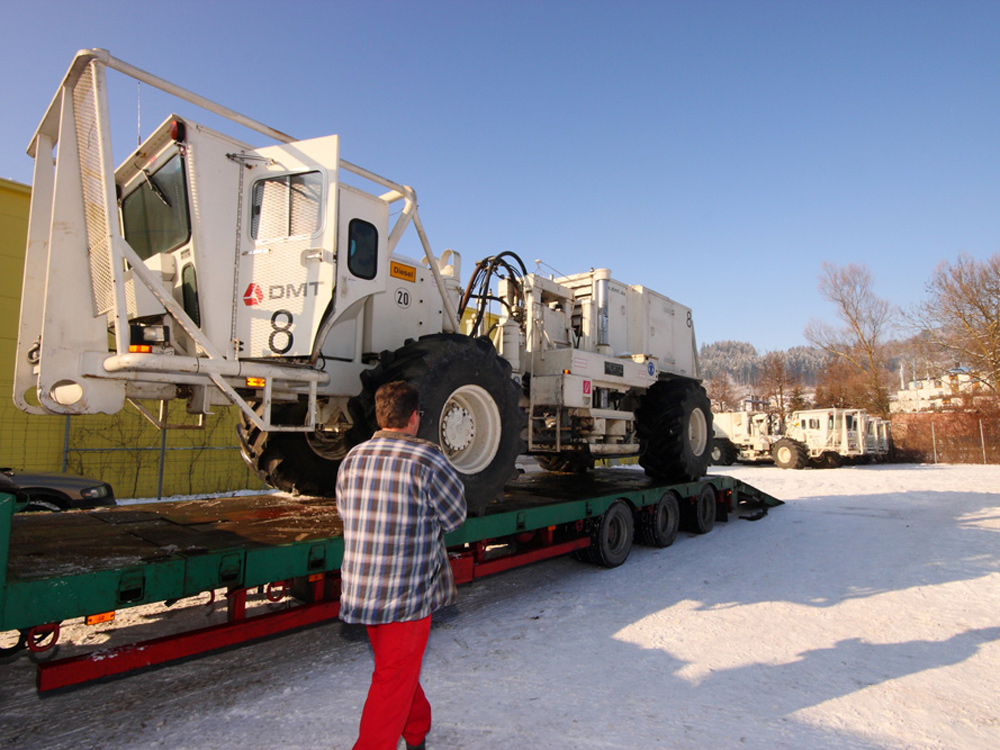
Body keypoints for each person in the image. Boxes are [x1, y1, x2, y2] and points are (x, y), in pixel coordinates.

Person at [336, 380, 467, 750]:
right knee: (392, 678)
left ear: (381, 416)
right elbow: (455, 517)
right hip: (407, 594)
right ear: (414, 418)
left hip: (362, 590)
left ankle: (417, 732)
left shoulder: (353, 458)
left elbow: (346, 513)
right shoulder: (427, 457)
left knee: (396, 669)